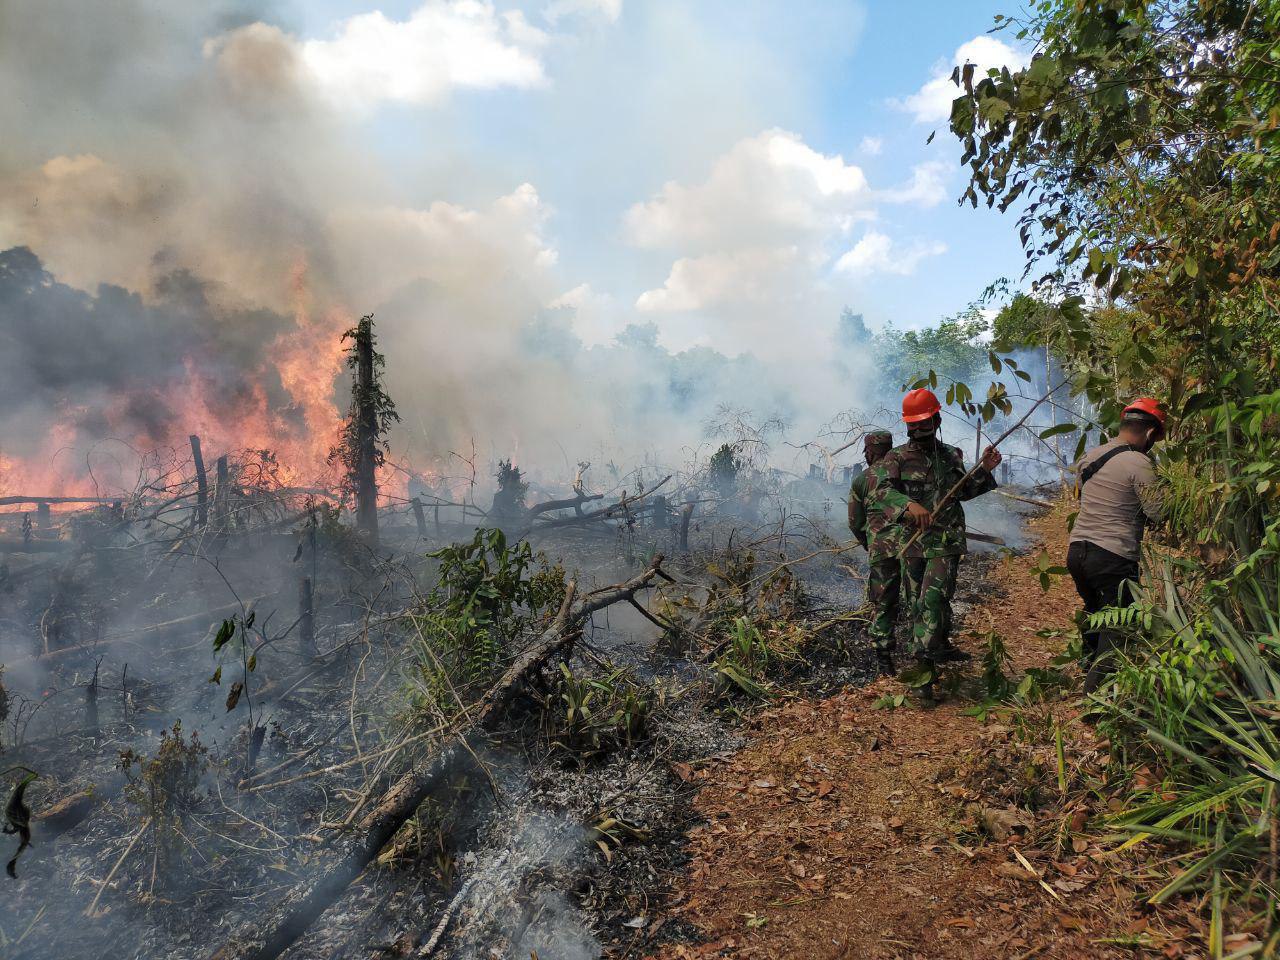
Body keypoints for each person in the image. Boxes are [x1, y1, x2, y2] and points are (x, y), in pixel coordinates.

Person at [867, 389, 1002, 677]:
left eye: (923, 423)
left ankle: (924, 666)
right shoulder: (896, 458)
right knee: (917, 602)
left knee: (934, 598)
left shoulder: (952, 455)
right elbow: (881, 493)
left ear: (937, 419)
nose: (917, 430)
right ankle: (929, 654)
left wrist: (985, 470)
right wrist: (908, 505)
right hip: (912, 543)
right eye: (912, 425)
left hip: (946, 541)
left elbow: (963, 492)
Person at [1067, 397, 1166, 693]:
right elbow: (1159, 511)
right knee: (1117, 623)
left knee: (1096, 609)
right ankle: (1095, 698)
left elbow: (1088, 497)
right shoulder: (1139, 462)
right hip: (1112, 555)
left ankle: (1086, 669)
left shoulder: (1091, 455)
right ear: (1150, 434)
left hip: (1077, 551)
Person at [848, 430, 900, 673]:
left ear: (869, 452)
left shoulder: (862, 479)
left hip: (881, 549)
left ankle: (884, 659)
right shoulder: (904, 472)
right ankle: (926, 653)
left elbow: (854, 522)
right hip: (914, 546)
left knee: (883, 601)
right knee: (919, 597)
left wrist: (870, 541)